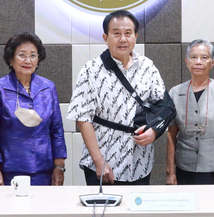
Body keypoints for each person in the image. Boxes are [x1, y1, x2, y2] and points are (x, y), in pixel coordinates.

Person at [67, 10, 166, 186]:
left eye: (128, 33)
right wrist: (98, 161)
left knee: (137, 205)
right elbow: (83, 118)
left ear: (135, 36)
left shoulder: (147, 67)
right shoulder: (91, 70)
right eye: (116, 33)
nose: (123, 39)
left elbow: (163, 105)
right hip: (104, 162)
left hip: (140, 162)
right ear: (106, 38)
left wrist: (154, 130)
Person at [0, 32, 67, 186]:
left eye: (33, 55)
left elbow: (57, 130)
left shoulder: (48, 87)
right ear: (11, 59)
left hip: (44, 170)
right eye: (22, 55)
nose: (28, 61)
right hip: (9, 170)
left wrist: (59, 166)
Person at [166, 39, 214, 186]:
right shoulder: (175, 93)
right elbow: (171, 134)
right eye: (193, 57)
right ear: (187, 62)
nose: (198, 62)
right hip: (185, 168)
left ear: (212, 63)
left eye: (204, 57)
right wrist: (170, 172)